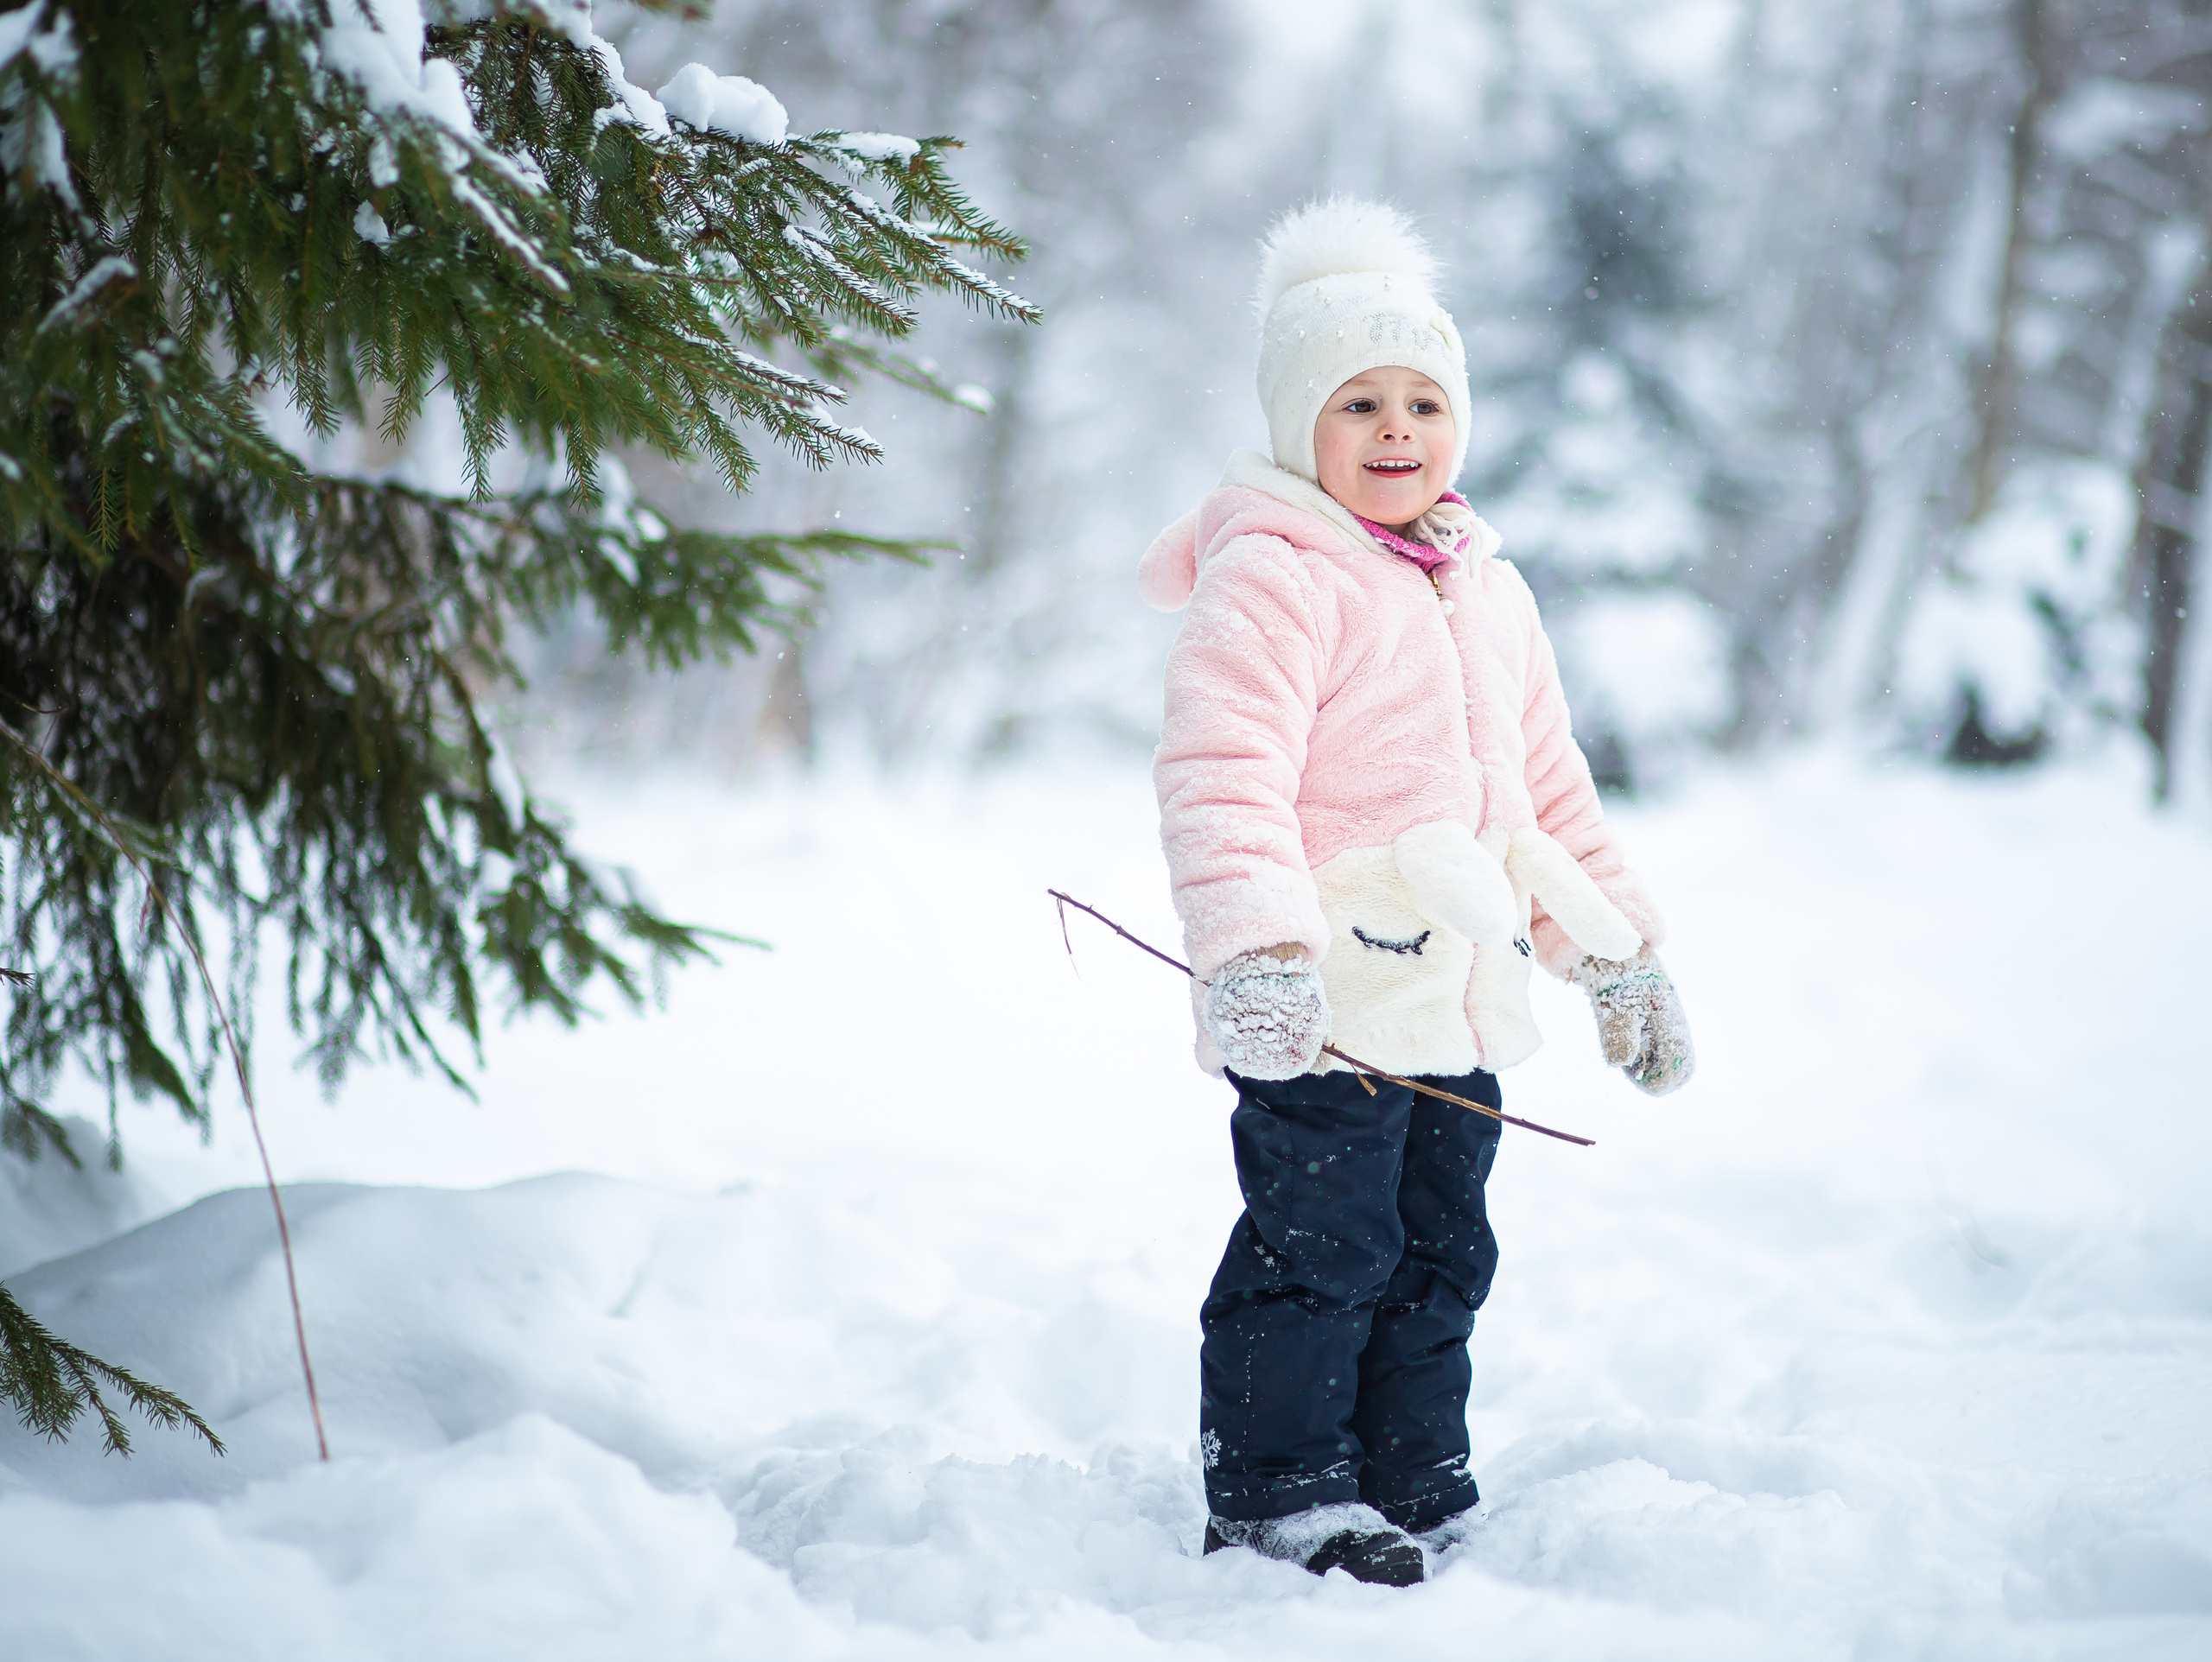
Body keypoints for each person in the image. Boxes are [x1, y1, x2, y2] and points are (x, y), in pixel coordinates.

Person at [1140, 199, 1695, 1588]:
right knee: (1319, 1251)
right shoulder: (1275, 576)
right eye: (1358, 404)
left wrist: (1619, 955)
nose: (1398, 431)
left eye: (1425, 401)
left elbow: (1549, 796)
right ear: (1295, 429)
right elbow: (1221, 772)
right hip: (1326, 1003)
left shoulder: (1486, 589)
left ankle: (1409, 1473)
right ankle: (1281, 1492)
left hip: (1463, 1003)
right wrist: (1256, 952)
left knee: (1442, 1253)